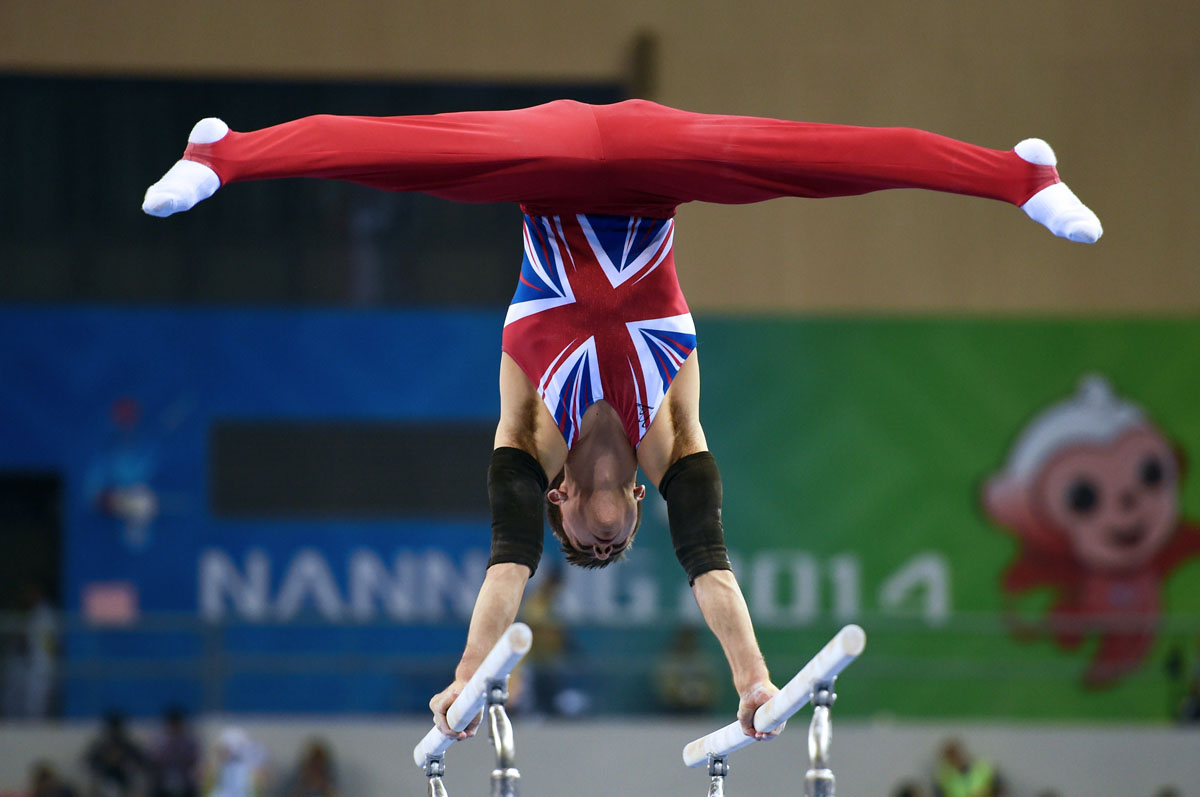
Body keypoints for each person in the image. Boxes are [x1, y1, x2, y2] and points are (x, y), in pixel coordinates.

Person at [143, 98, 1102, 742]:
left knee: (406, 154)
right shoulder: (674, 437)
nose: (602, 541)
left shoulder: (527, 434)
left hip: (547, 165)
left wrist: (468, 674)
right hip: (651, 168)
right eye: (616, 544)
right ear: (639, 507)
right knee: (808, 162)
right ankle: (1019, 176)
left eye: (584, 545)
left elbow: (505, 572)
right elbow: (714, 574)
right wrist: (754, 682)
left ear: (559, 501)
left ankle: (222, 157)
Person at [147, 705, 201, 797]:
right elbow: (154, 760)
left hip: (185, 783)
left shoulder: (188, 742)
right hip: (163, 783)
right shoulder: (160, 742)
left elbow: (193, 761)